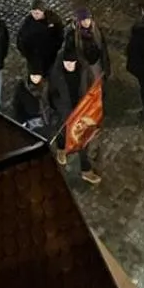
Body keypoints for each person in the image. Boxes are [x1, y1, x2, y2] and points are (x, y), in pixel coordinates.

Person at [48, 43, 100, 184]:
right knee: (63, 133)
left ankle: (86, 170)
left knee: (82, 141)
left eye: (72, 62)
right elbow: (52, 93)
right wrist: (58, 108)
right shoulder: (56, 73)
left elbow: (91, 87)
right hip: (64, 112)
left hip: (80, 112)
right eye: (67, 63)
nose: (69, 66)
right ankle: (61, 148)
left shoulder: (84, 71)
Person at [16, 2, 65, 78]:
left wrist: (54, 49)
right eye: (33, 13)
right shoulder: (28, 22)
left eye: (37, 13)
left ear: (43, 12)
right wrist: (27, 54)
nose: (35, 15)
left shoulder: (53, 20)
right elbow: (21, 39)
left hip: (50, 57)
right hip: (34, 59)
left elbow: (60, 35)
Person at [68, 8, 110, 84]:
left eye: (87, 19)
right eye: (83, 20)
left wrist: (106, 67)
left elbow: (103, 49)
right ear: (79, 22)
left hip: (97, 62)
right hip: (84, 64)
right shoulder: (74, 35)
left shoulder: (97, 31)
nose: (86, 22)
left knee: (98, 83)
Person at [12, 71, 51, 136]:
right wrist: (22, 122)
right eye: (33, 76)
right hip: (29, 121)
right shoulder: (22, 88)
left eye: (37, 76)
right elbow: (17, 107)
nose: (35, 78)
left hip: (45, 120)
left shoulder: (46, 86)